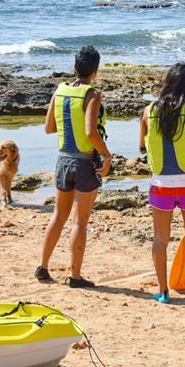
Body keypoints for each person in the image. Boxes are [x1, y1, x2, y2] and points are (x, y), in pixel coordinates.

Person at [36, 45, 112, 288]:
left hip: (62, 160)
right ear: (96, 71)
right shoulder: (92, 95)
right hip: (84, 163)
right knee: (79, 222)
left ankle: (43, 266)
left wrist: (70, 125)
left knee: (58, 216)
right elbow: (91, 132)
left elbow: (49, 128)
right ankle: (75, 276)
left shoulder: (59, 92)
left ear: (74, 67)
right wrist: (106, 155)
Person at [140, 63, 185, 304]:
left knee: (160, 238)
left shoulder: (148, 111)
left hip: (161, 187)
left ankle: (164, 292)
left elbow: (142, 146)